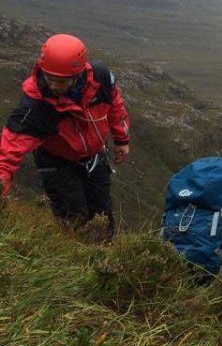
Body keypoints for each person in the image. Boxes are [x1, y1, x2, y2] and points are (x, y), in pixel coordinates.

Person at [0, 34, 130, 236]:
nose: (53, 86)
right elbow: (8, 154)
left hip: (95, 158)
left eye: (61, 81)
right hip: (57, 164)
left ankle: (106, 257)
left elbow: (115, 106)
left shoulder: (100, 78)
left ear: (78, 74)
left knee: (103, 217)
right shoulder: (35, 106)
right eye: (49, 78)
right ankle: (77, 264)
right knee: (74, 221)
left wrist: (122, 139)